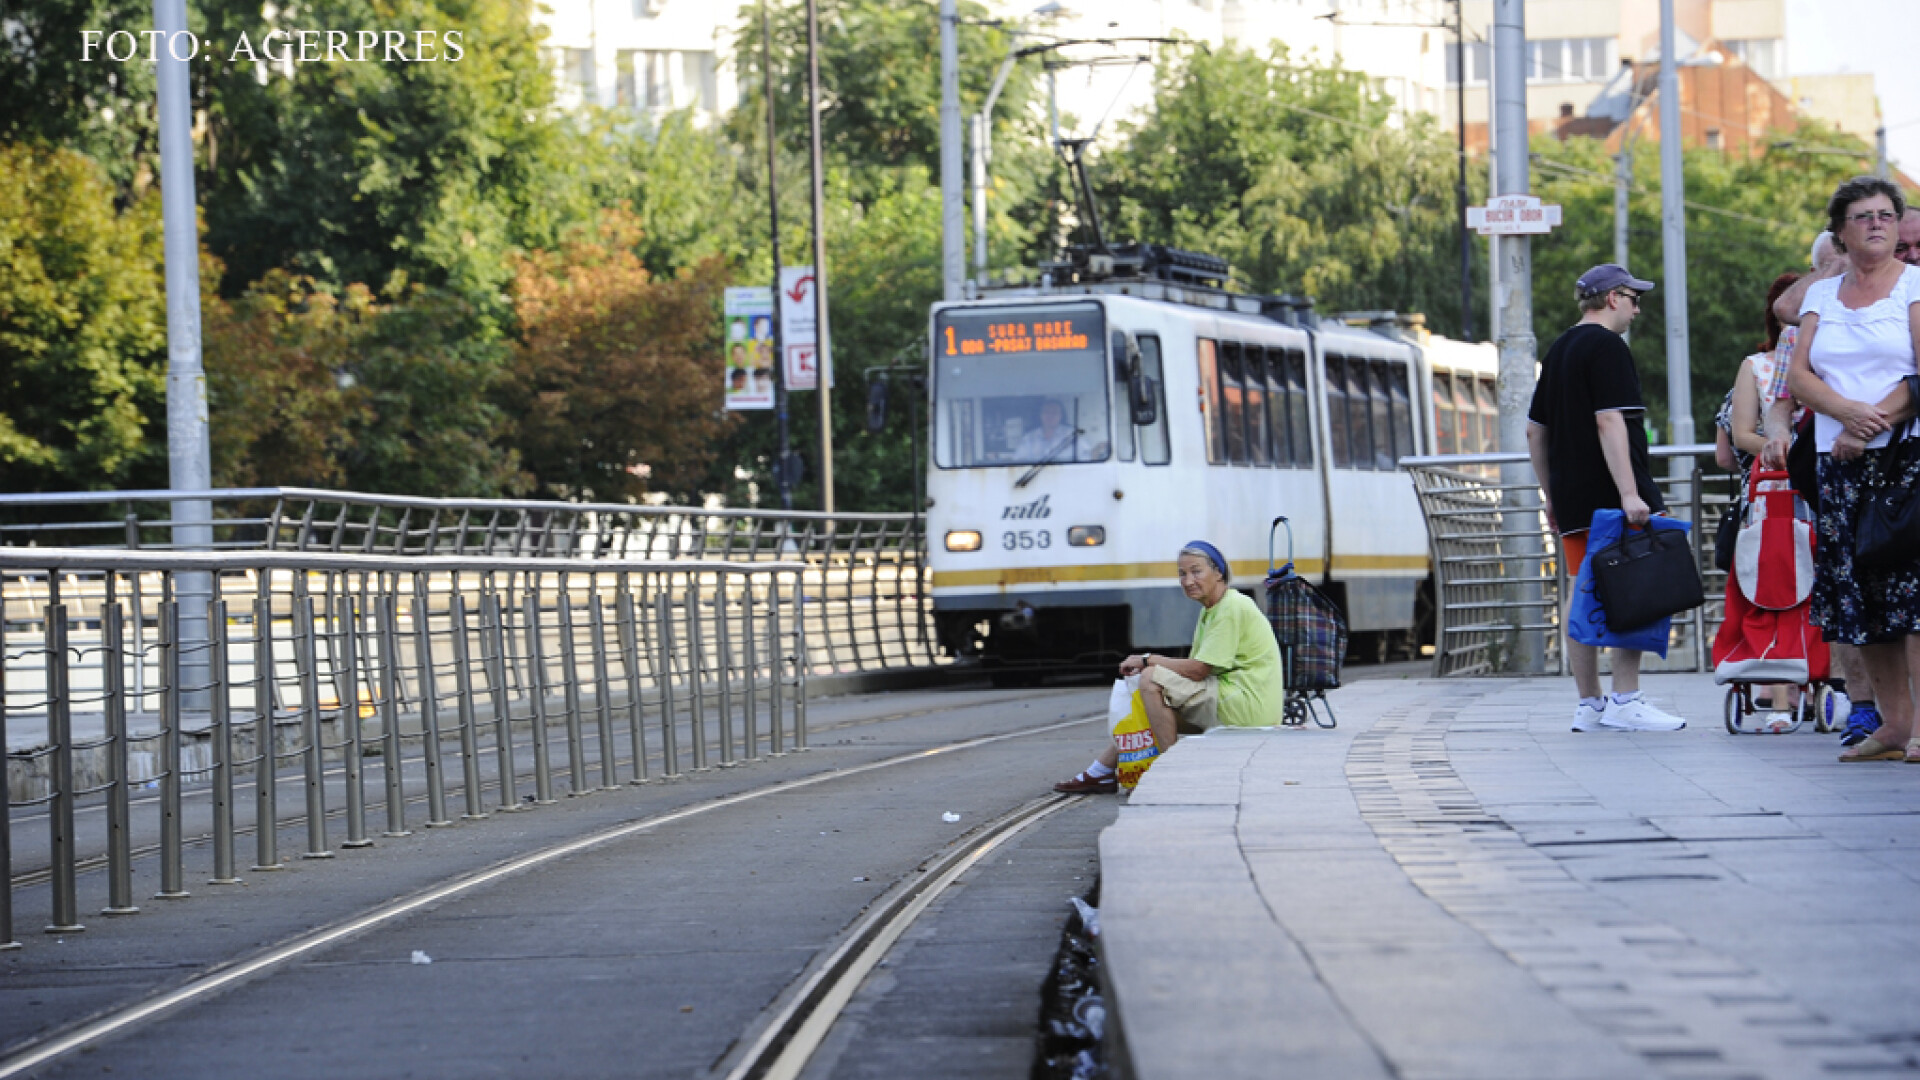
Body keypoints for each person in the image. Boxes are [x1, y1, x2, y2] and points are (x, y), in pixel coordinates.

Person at [1784, 176, 1920, 763]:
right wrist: (1843, 415)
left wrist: (1867, 430)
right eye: (1862, 216)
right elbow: (1799, 375)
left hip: (1904, 460)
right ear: (1840, 231)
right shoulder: (1821, 295)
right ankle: (1894, 726)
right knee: (1863, 597)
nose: (1877, 224)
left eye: (1886, 215)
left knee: (1914, 601)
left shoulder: (1915, 285)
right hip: (1836, 463)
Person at [1525, 263, 1689, 733]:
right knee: (1635, 589)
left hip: (1574, 500)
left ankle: (1589, 704)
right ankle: (1626, 699)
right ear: (1614, 297)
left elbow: (1535, 431)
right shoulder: (1608, 347)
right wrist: (1630, 493)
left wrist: (1551, 495)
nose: (1638, 310)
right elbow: (1609, 421)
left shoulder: (1558, 350)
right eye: (1635, 299)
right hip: (1615, 496)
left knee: (1584, 591)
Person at [1053, 542, 1285, 794]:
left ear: (1218, 572)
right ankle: (1100, 772)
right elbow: (1191, 672)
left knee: (1151, 679)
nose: (1187, 581)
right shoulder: (1213, 609)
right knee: (1145, 701)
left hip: (1247, 705)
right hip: (1235, 699)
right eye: (1182, 574)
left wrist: (1147, 660)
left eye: (1196, 571)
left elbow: (1197, 671)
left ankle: (1172, 771)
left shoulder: (1231, 608)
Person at [1714, 273, 1807, 731]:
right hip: (1772, 491)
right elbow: (1741, 433)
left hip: (1814, 485)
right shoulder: (1758, 366)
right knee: (1776, 582)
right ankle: (1780, 685)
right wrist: (1781, 446)